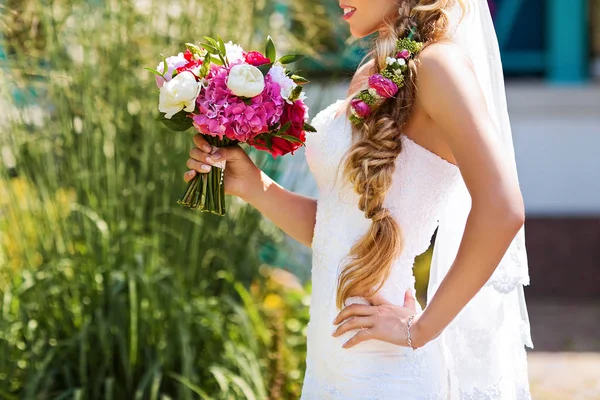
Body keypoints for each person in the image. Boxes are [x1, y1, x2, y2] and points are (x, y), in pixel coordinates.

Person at [184, 0, 533, 398]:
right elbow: (340, 229)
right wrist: (254, 185)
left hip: (389, 371)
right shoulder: (372, 72)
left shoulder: (440, 67)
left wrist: (420, 329)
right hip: (330, 363)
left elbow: (503, 209)